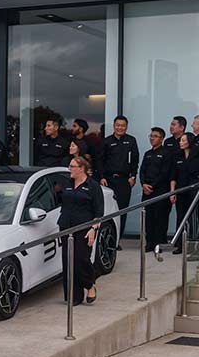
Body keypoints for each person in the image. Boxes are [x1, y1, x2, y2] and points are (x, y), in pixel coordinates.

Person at [59, 155, 104, 305]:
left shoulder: (93, 186)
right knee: (68, 261)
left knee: (81, 260)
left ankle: (89, 285)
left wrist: (93, 228)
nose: (69, 169)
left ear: (82, 168)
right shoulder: (67, 183)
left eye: (72, 166)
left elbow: (99, 211)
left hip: (85, 228)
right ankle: (74, 296)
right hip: (66, 226)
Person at [99, 115, 139, 247]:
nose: (120, 128)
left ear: (126, 127)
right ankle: (107, 239)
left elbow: (135, 161)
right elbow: (100, 161)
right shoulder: (106, 141)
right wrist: (102, 177)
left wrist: (133, 176)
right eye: (118, 125)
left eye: (123, 126)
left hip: (124, 181)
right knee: (108, 210)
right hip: (109, 180)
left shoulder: (131, 141)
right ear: (114, 126)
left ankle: (117, 241)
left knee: (122, 210)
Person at [139, 127, 174, 252]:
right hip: (146, 190)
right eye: (151, 136)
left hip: (160, 190)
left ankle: (160, 243)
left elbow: (164, 173)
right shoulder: (147, 154)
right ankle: (149, 243)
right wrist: (143, 184)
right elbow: (142, 170)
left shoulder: (166, 153)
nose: (152, 138)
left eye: (155, 136)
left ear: (162, 138)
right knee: (149, 218)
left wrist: (152, 186)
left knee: (160, 218)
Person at [170, 132, 199, 254]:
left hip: (193, 190)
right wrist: (172, 192)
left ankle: (193, 244)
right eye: (180, 140)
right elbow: (173, 176)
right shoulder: (177, 156)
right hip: (180, 190)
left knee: (193, 218)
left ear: (189, 142)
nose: (180, 143)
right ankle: (180, 245)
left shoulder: (197, 157)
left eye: (183, 140)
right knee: (180, 218)